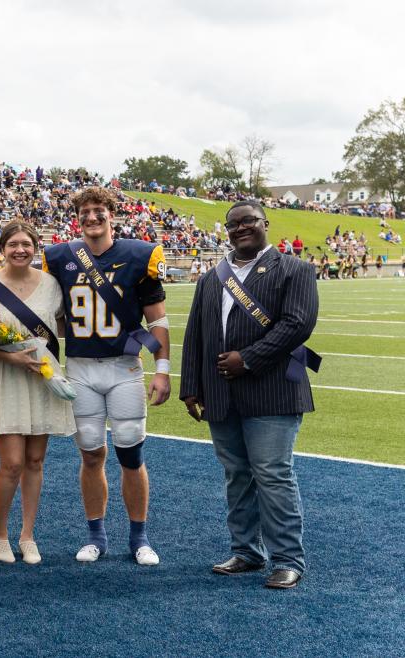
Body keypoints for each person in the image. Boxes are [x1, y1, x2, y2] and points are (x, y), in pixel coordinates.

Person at [180, 200, 319, 590]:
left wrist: (249, 359)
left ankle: (288, 559)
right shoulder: (211, 277)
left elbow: (297, 324)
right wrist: (191, 385)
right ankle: (246, 551)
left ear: (265, 224)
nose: (240, 228)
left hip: (273, 389)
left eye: (248, 221)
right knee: (236, 475)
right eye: (233, 224)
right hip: (221, 393)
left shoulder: (295, 269)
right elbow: (197, 334)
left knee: (273, 475)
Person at [42, 186, 171, 566]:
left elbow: (158, 320)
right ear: (77, 217)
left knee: (130, 452)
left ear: (111, 214)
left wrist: (162, 370)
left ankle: (139, 537)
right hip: (80, 368)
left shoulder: (139, 255)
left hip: (124, 368)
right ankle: (96, 535)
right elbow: (51, 317)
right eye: (85, 212)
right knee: (91, 453)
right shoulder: (59, 257)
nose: (92, 217)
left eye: (99, 210)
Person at [0, 222, 75, 564]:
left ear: (36, 247)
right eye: (13, 244)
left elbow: (62, 326)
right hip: (5, 377)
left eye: (27, 244)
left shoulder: (51, 285)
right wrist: (11, 357)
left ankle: (28, 535)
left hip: (42, 378)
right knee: (12, 462)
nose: (20, 250)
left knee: (35, 461)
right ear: (2, 248)